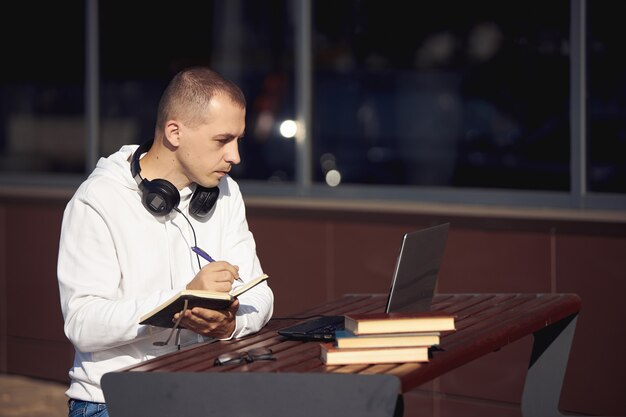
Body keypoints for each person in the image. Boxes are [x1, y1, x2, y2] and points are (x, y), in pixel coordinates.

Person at [57, 66, 274, 417]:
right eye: (222, 140)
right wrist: (179, 306)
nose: (235, 157)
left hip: (201, 390)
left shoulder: (226, 192)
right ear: (175, 132)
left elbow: (260, 294)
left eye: (238, 140)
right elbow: (82, 323)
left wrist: (231, 325)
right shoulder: (96, 200)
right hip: (115, 402)